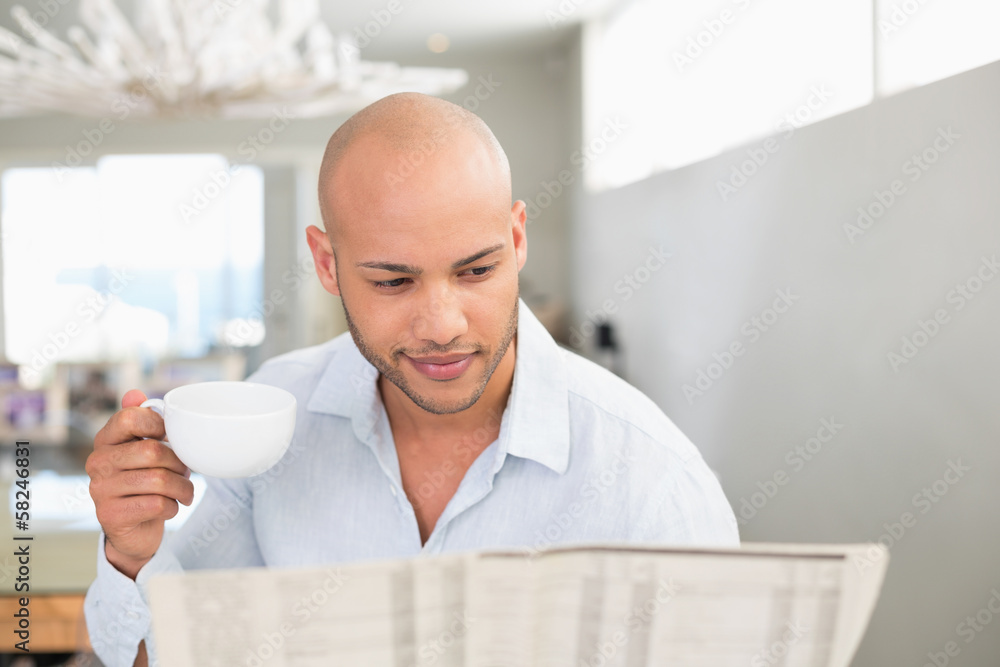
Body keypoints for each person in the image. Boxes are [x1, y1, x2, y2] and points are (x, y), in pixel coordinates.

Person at [83, 92, 739, 666]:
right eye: (393, 280)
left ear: (516, 240)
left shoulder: (653, 481)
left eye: (477, 270)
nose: (442, 324)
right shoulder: (270, 422)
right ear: (325, 262)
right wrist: (132, 552)